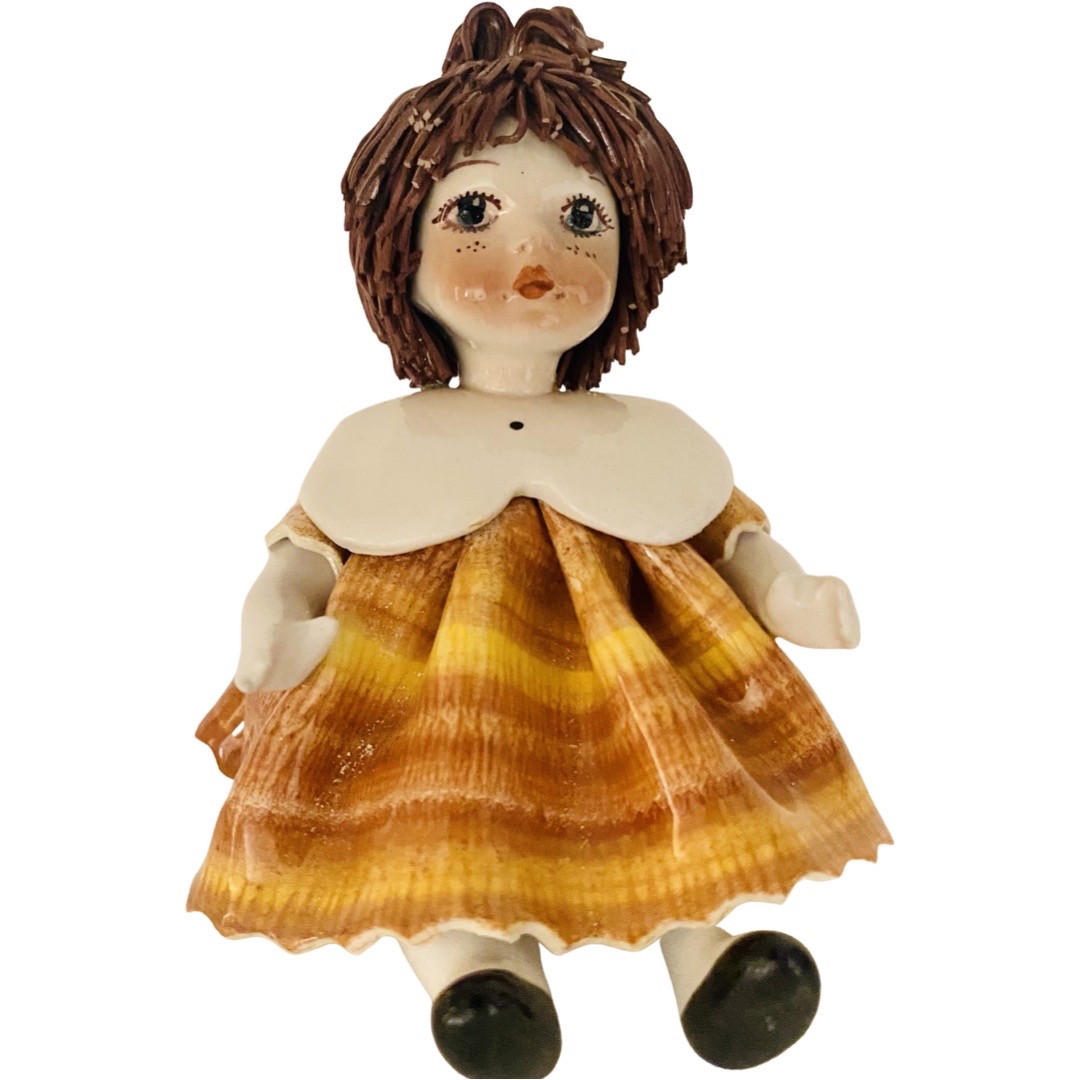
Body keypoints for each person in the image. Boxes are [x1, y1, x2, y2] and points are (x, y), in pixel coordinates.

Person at [188, 6, 890, 1077]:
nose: (534, 254)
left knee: (669, 801)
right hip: (431, 700)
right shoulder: (381, 448)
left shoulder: (646, 440)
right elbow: (304, 554)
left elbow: (727, 531)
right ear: (399, 248)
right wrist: (269, 625)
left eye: (581, 217)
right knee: (430, 830)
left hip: (629, 685)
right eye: (473, 210)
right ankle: (479, 973)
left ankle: (709, 963)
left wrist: (790, 594)